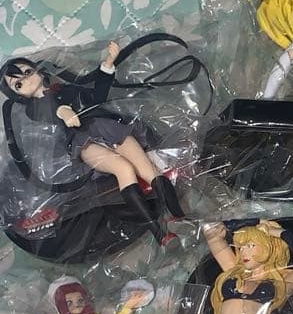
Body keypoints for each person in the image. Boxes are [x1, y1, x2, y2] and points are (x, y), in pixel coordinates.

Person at [2, 41, 184, 244]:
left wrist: (107, 65)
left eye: (27, 72)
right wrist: (63, 111)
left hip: (107, 127)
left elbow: (97, 97)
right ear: (17, 94)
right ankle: (159, 232)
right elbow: (48, 112)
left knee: (148, 170)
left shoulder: (66, 88)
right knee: (123, 169)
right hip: (83, 141)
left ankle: (179, 216)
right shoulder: (32, 109)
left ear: (37, 69)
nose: (26, 80)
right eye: (18, 84)